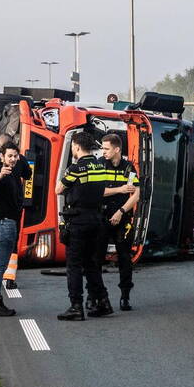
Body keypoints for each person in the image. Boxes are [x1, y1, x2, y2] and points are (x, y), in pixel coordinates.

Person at [56, 131, 111, 321]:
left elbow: (58, 190)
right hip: (96, 219)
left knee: (74, 265)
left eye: (72, 147)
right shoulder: (101, 166)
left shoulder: (75, 168)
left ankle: (76, 306)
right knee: (92, 264)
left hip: (78, 221)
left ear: (77, 147)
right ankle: (103, 301)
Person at [0, 140, 31, 317]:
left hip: (2, 224)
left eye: (15, 156)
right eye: (9, 156)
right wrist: (1, 174)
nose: (13, 159)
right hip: (2, 224)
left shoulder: (14, 171)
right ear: (2, 156)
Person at [98, 133, 140, 311]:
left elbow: (136, 194)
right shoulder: (99, 165)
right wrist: (119, 189)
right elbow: (97, 191)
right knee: (96, 257)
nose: (103, 151)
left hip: (122, 218)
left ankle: (125, 297)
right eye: (102, 148)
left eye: (106, 148)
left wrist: (121, 211)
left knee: (124, 258)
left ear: (117, 149)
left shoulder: (128, 169)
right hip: (101, 216)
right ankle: (99, 296)